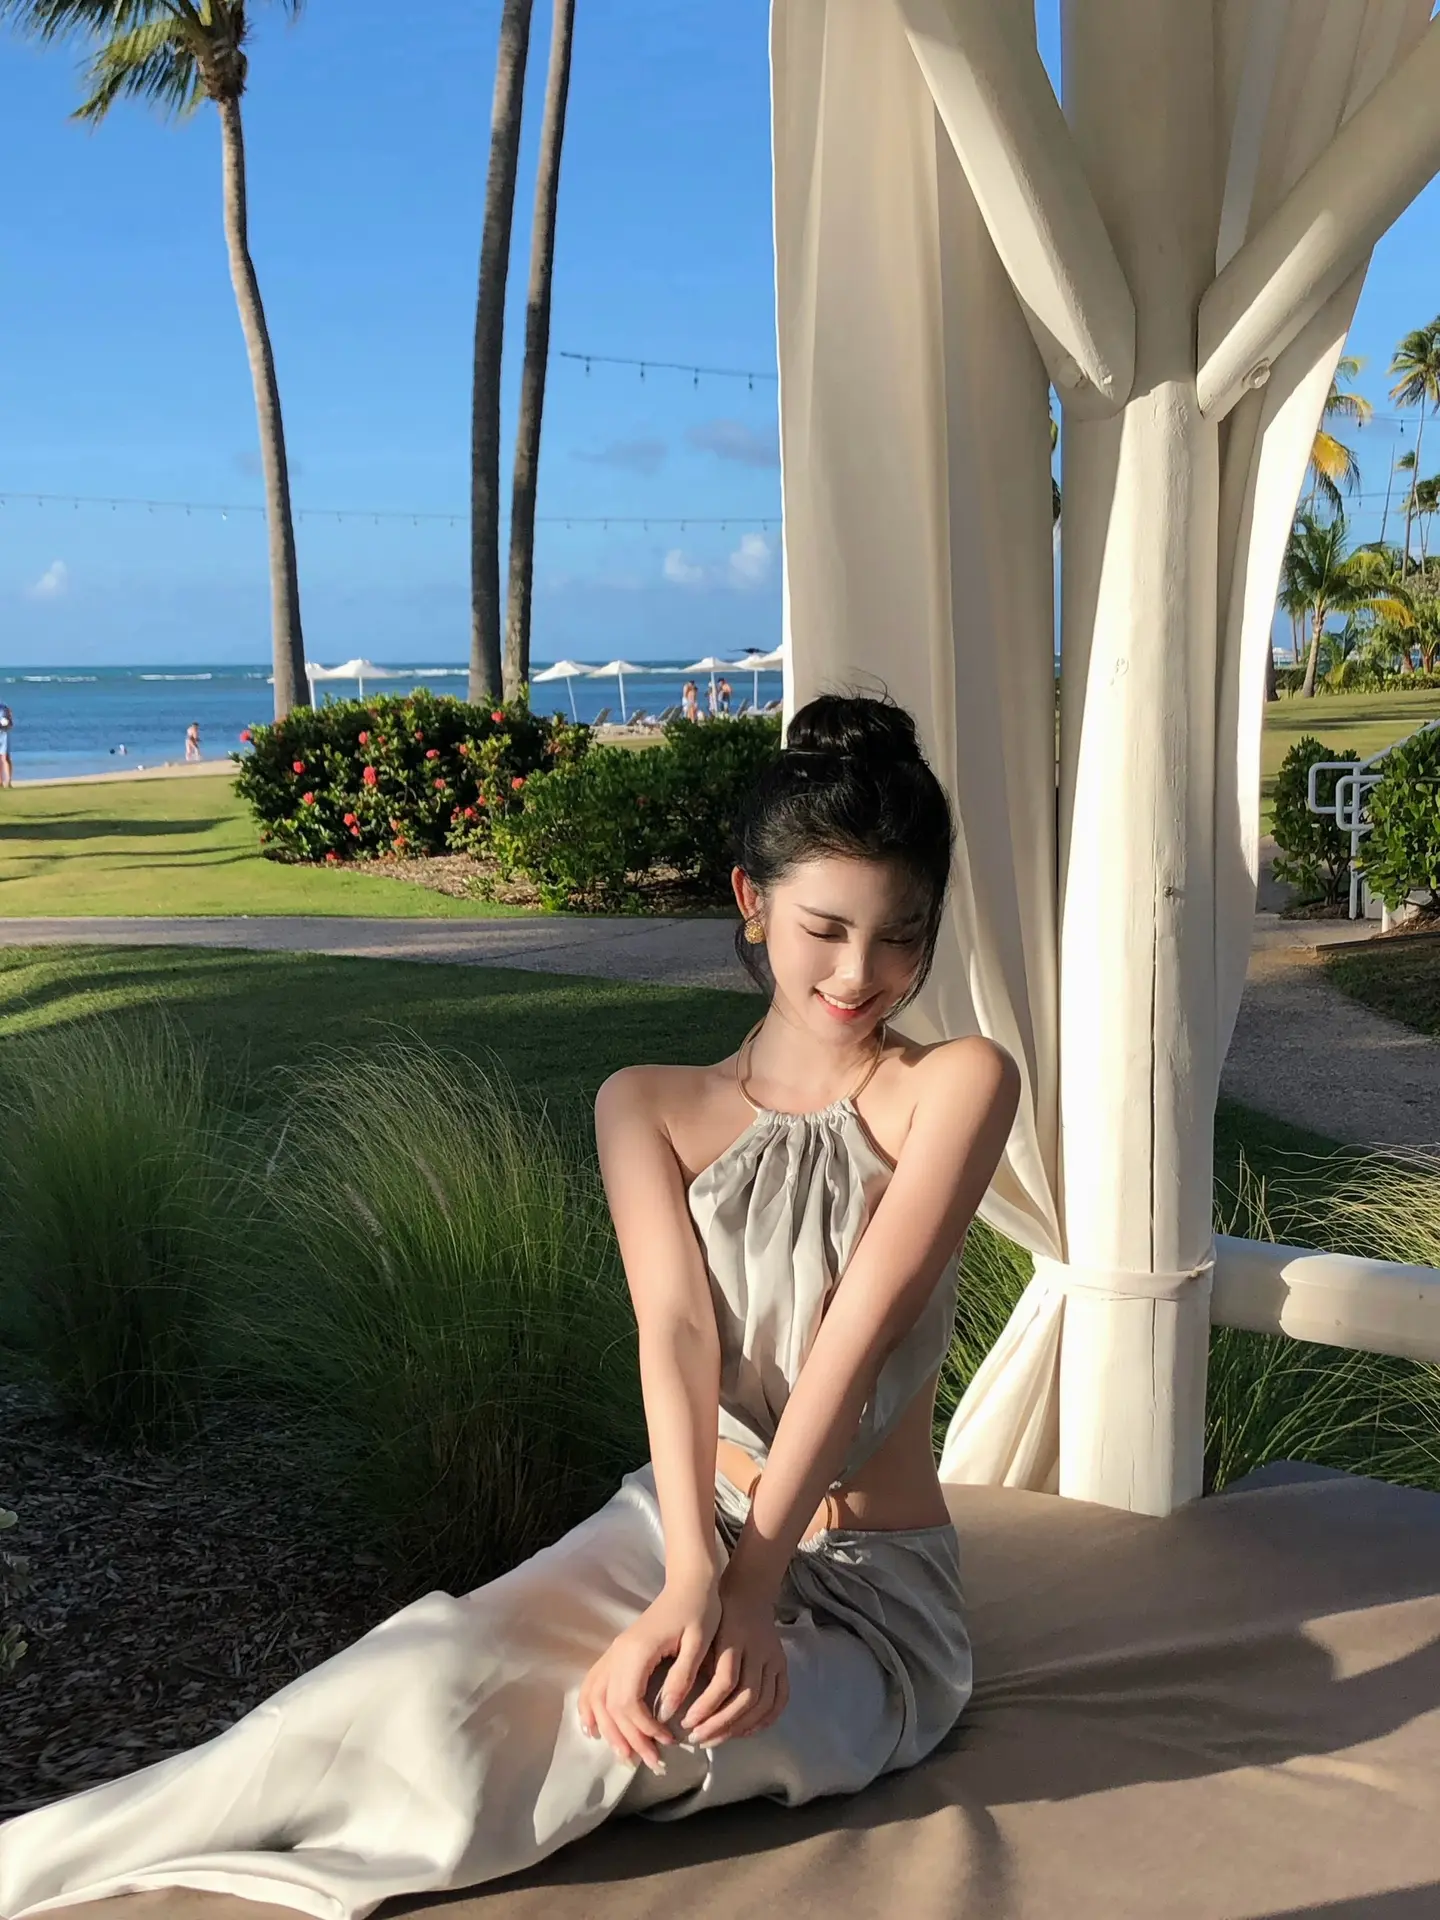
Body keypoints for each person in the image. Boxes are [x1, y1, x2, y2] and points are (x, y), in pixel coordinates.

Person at [0, 694, 1020, 1920]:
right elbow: (676, 1336)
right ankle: (30, 1873)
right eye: (826, 928)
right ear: (751, 901)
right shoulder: (646, 1104)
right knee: (412, 1676)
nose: (861, 973)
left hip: (871, 1596)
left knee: (607, 1737)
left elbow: (852, 1347)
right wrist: (695, 1574)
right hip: (679, 1525)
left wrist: (748, 1596)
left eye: (902, 937)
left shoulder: (957, 1084)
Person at [0, 704, 11, 788]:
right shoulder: (4, 708)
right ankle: (4, 782)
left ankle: (6, 782)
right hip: (3, 735)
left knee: (3, 759)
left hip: (2, 736)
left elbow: (9, 723)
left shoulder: (4, 708)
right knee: (3, 759)